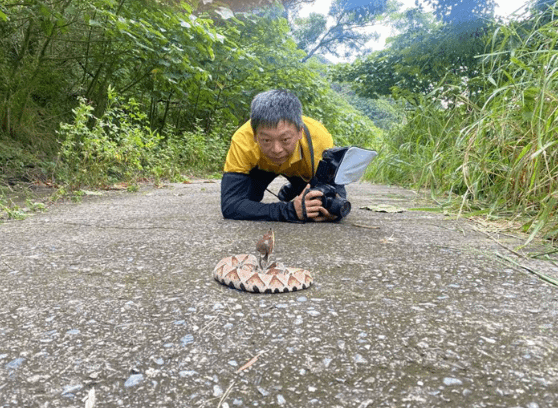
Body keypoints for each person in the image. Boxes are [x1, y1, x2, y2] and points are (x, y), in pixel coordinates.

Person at [220, 89, 347, 222]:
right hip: (261, 169)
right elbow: (231, 205)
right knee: (249, 199)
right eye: (266, 140)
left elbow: (338, 195)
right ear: (255, 135)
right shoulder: (243, 140)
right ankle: (292, 189)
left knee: (319, 199)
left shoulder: (319, 141)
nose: (276, 150)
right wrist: (289, 211)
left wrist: (331, 210)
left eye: (285, 139)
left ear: (300, 132)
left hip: (302, 170)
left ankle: (293, 188)